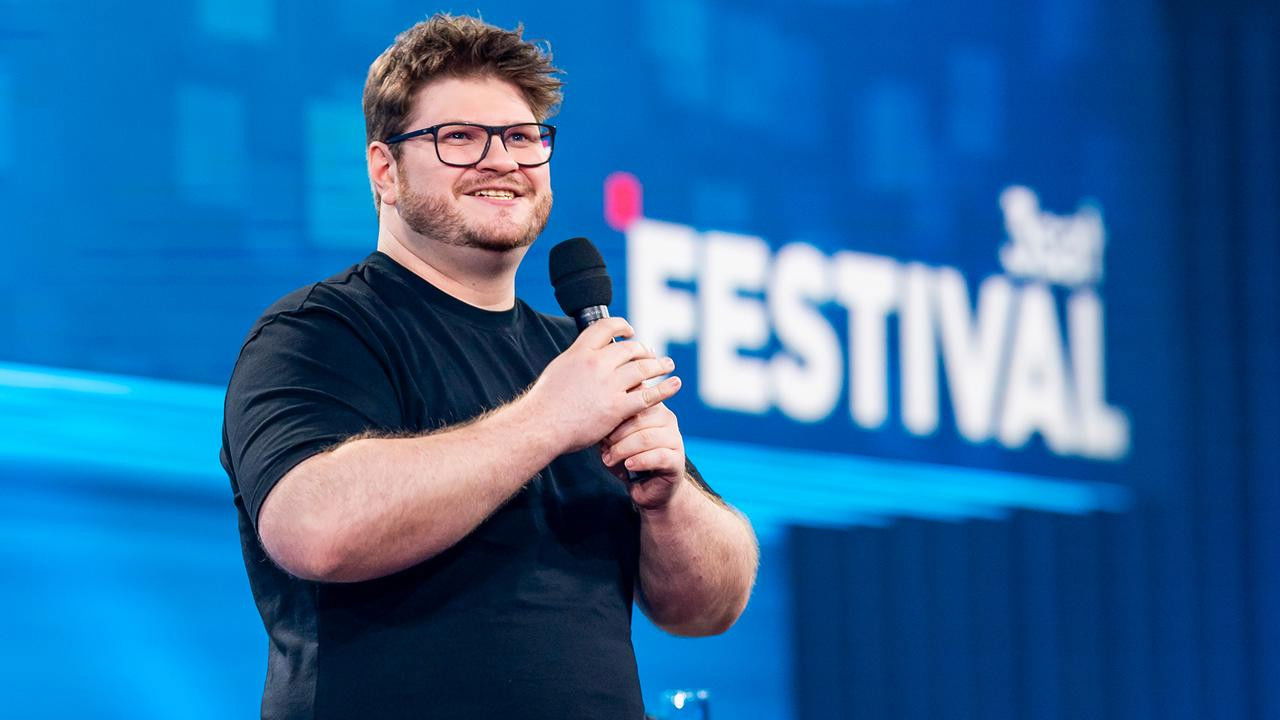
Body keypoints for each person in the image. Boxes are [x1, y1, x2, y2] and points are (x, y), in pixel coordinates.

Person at [219, 13, 759, 720]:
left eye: (523, 138)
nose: (502, 161)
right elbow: (313, 528)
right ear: (384, 170)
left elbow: (708, 607)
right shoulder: (319, 331)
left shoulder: (584, 357)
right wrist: (548, 421)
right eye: (459, 137)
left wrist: (670, 500)